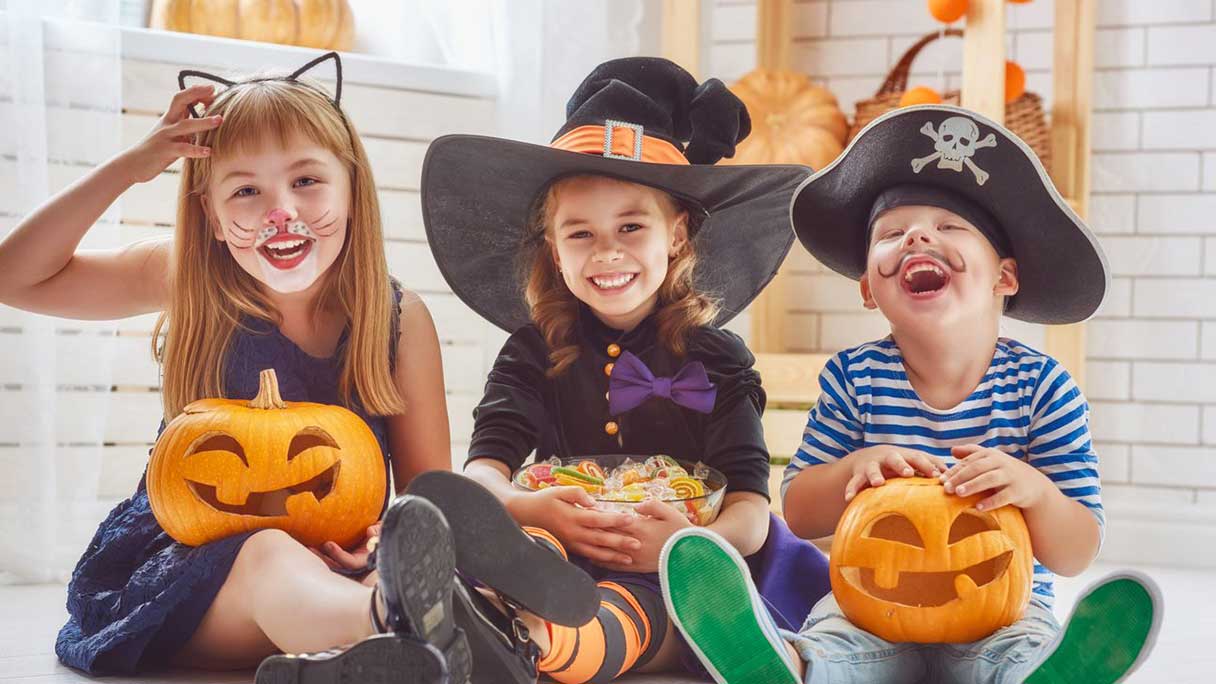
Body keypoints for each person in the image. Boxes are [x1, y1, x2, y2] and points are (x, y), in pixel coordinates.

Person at [0, 52, 594, 683]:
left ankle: (406, 648)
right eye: (246, 190)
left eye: (306, 181)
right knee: (269, 554)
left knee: (415, 561)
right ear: (212, 218)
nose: (280, 211)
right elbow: (15, 276)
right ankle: (412, 625)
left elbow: (426, 494)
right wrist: (134, 166)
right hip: (188, 579)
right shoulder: (189, 278)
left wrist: (395, 543)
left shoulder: (396, 320)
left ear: (352, 189)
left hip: (339, 569)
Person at [659, 104, 1161, 684]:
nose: (919, 235)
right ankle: (784, 667)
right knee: (835, 642)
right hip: (870, 610)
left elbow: (1075, 552)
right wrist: (855, 465)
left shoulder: (1044, 390)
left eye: (950, 227)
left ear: (1004, 277)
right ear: (870, 288)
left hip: (1001, 611)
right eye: (893, 233)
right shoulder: (854, 378)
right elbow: (797, 510)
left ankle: (1045, 675)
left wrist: (1034, 492)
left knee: (1018, 648)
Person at [417, 56, 831, 684]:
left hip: (685, 567)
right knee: (534, 556)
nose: (607, 251)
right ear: (554, 252)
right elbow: (485, 472)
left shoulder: (718, 360)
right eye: (580, 234)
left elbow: (749, 509)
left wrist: (688, 545)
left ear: (678, 236)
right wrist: (537, 511)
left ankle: (538, 645)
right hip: (557, 542)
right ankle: (467, 618)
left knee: (639, 602)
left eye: (631, 226)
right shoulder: (533, 349)